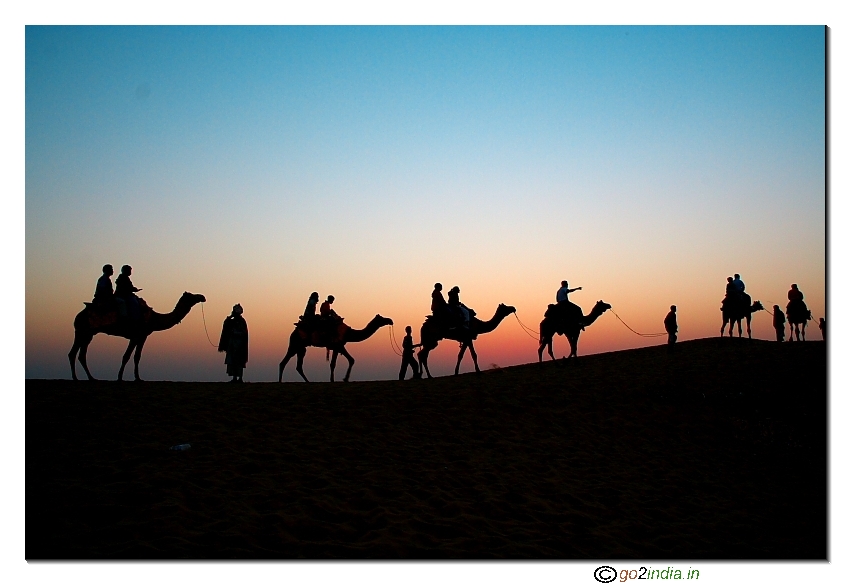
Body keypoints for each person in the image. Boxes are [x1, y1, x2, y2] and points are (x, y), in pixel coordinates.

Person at [218, 304, 248, 382]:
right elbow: (225, 325)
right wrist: (230, 317)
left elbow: (244, 333)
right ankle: (234, 378)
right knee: (233, 362)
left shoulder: (242, 321)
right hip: (232, 345)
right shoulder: (232, 321)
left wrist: (235, 333)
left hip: (240, 345)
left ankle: (240, 378)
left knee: (239, 362)